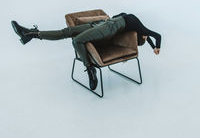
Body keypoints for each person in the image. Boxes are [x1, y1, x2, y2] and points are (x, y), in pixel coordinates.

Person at [11, 12, 161, 91]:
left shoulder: (141, 30)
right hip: (100, 24)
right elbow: (150, 35)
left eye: (143, 37)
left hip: (108, 28)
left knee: (76, 40)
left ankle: (90, 69)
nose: (144, 37)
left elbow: (155, 36)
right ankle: (30, 34)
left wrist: (155, 47)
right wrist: (151, 43)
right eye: (144, 37)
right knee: (66, 31)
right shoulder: (139, 25)